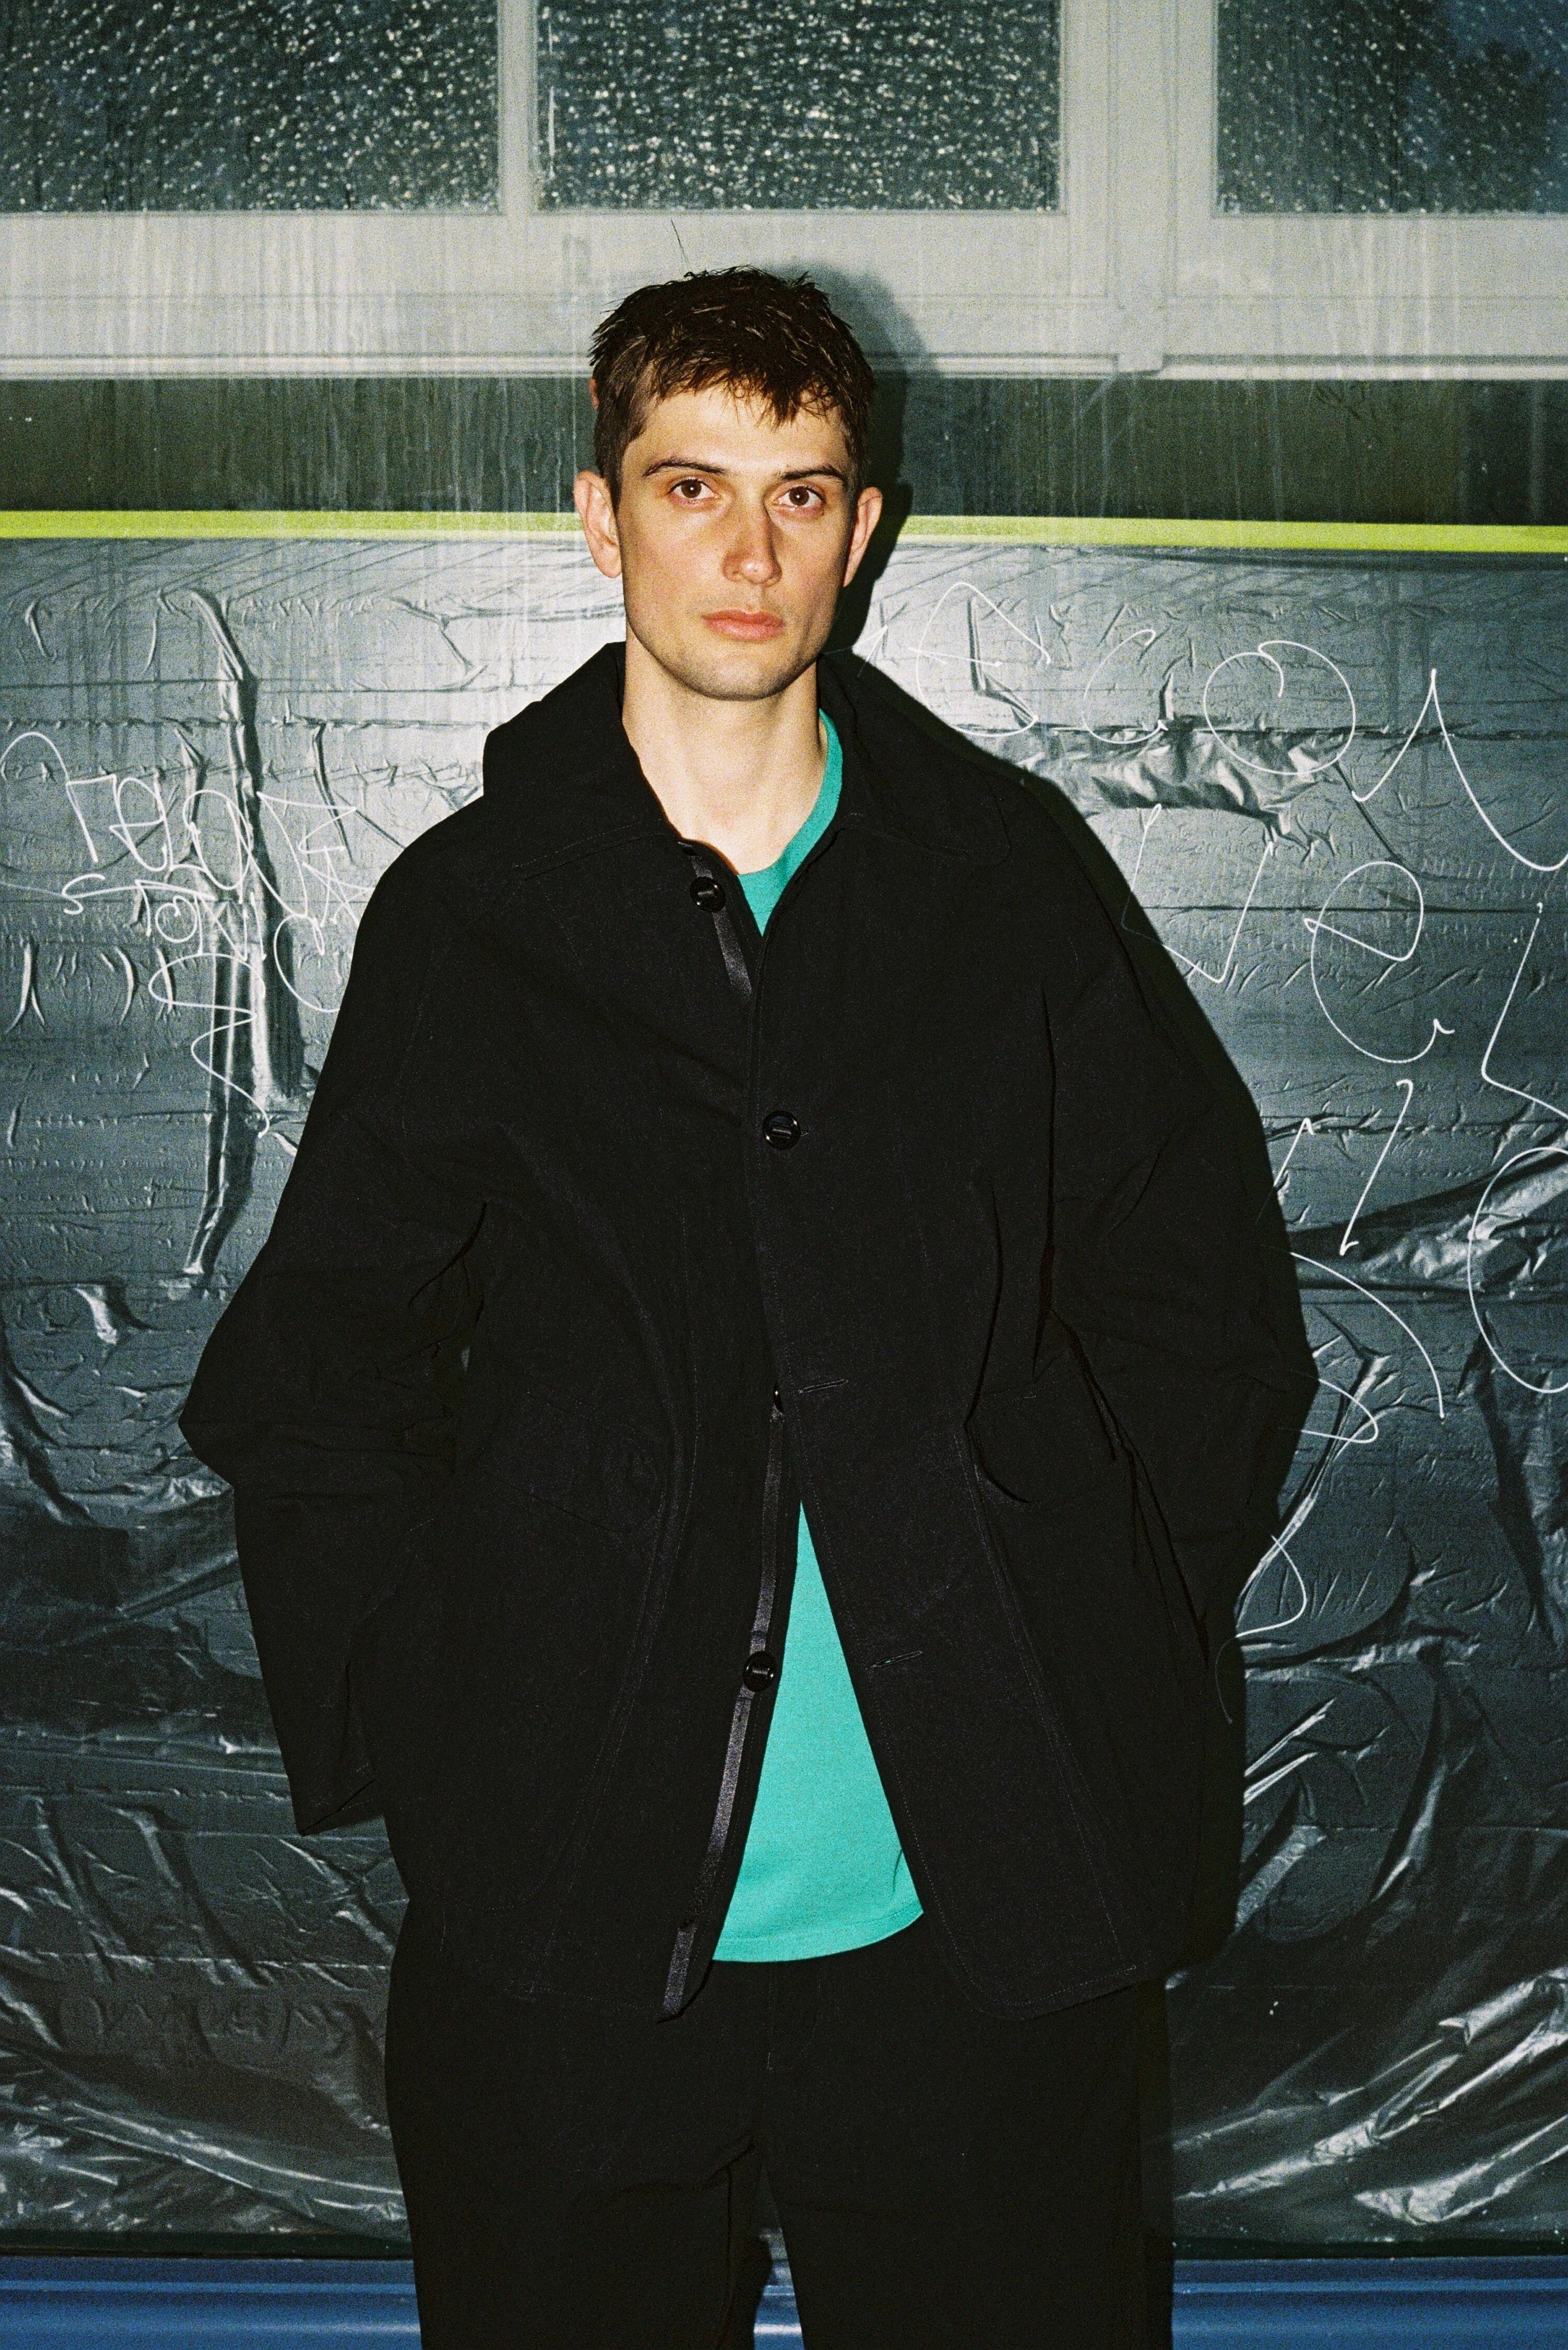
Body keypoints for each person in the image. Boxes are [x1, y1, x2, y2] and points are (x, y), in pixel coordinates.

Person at [181, 268, 1299, 2347]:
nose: (750, 550)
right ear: (600, 517)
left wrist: (1089, 1622)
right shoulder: (475, 921)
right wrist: (451, 1726)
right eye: (693, 485)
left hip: (983, 1920)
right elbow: (320, 1371)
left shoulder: (1004, 884)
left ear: (864, 527)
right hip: (566, 1925)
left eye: (799, 493)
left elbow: (1199, 1295)